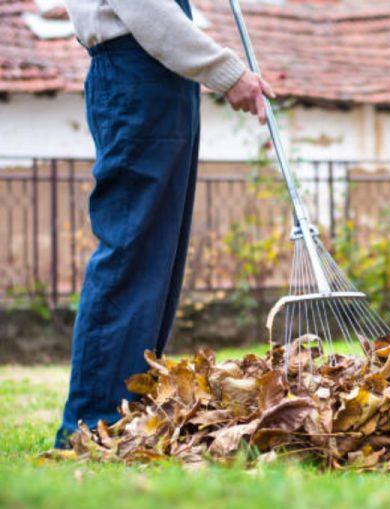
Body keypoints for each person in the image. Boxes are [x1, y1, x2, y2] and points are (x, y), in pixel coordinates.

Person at [55, 0, 275, 448]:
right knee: (132, 252)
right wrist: (229, 73)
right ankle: (91, 423)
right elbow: (146, 10)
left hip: (159, 80)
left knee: (157, 259)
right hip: (136, 75)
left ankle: (129, 415)